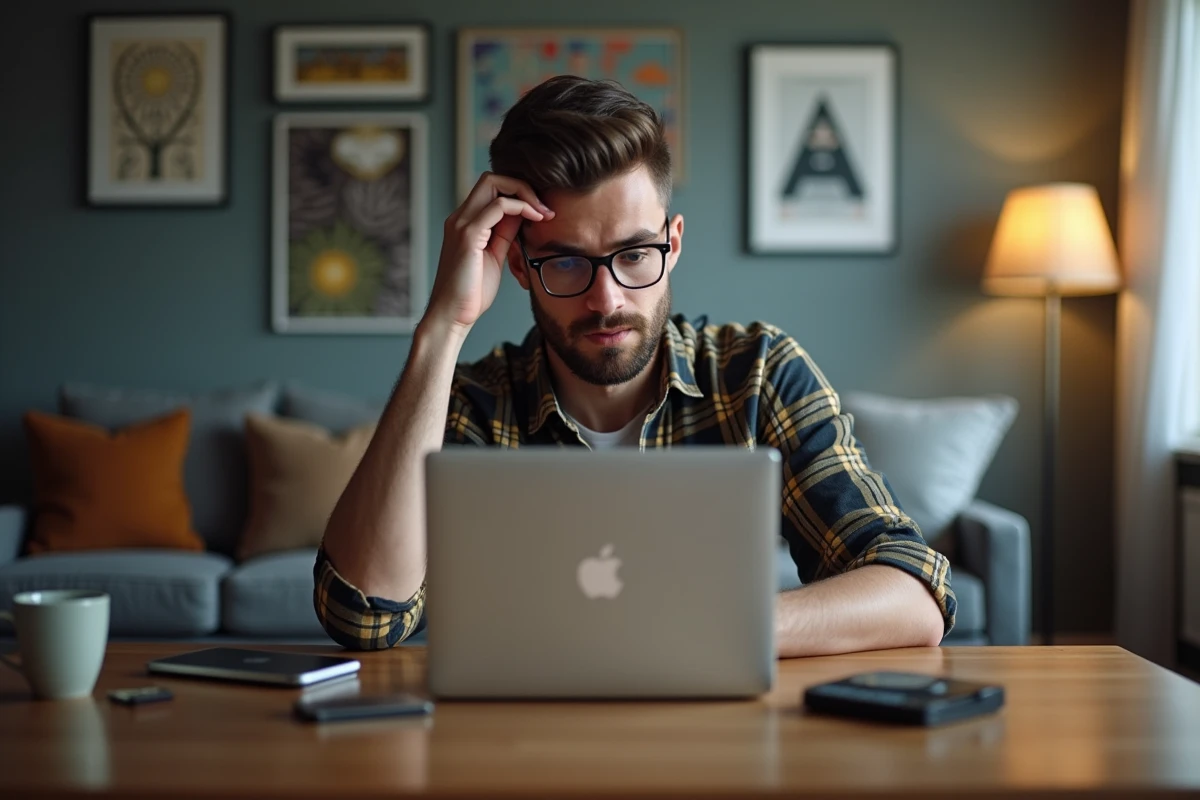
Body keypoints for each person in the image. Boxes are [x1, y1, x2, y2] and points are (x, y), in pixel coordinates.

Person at [314, 75, 955, 657]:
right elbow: (363, 617)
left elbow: (913, 592)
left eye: (634, 254)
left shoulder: (758, 374)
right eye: (565, 262)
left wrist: (700, 626)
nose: (607, 299)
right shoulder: (476, 405)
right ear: (518, 267)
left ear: (672, 243)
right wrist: (442, 328)